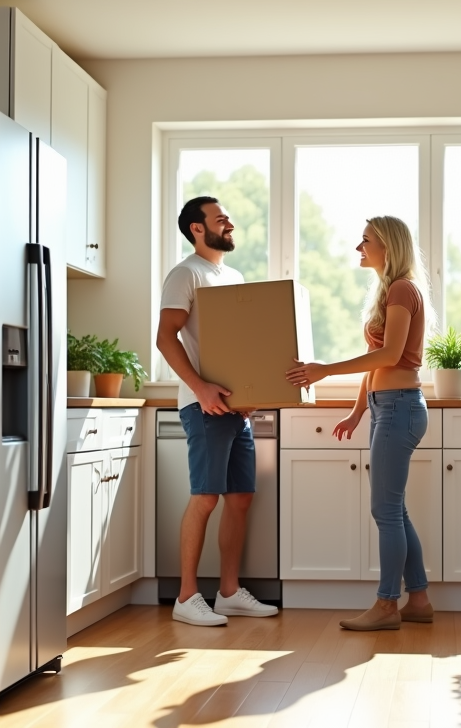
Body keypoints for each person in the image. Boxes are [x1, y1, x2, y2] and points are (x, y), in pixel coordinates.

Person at [286, 216, 434, 631]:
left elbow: (389, 356)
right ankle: (418, 599)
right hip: (388, 405)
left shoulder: (404, 289)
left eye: (366, 240)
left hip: (400, 406)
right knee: (395, 510)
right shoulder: (391, 290)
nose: (359, 248)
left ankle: (387, 606)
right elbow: (376, 362)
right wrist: (357, 411)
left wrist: (325, 370)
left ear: (388, 246)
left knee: (385, 511)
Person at [156, 196, 278, 626]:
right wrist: (201, 388)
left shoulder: (234, 276)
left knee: (240, 498)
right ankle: (186, 597)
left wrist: (252, 391)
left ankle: (228, 593)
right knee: (205, 497)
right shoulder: (185, 274)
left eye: (228, 219)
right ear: (195, 228)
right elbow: (166, 338)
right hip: (203, 406)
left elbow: (241, 344)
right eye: (219, 219)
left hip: (234, 409)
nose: (229, 224)